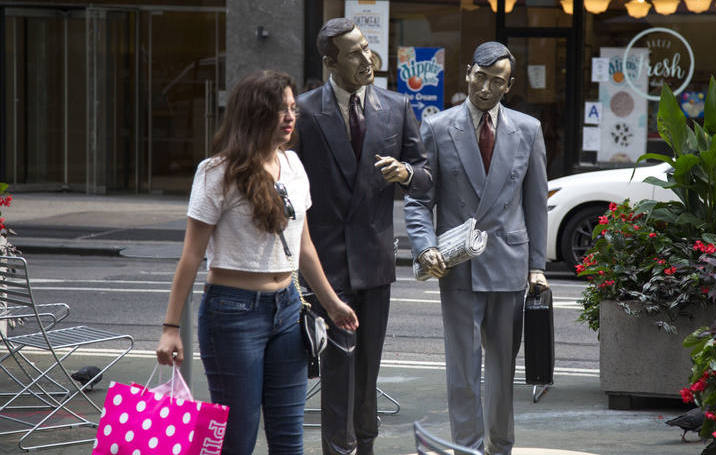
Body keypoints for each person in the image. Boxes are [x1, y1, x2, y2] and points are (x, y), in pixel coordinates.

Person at [155, 69, 359, 455]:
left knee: (288, 438)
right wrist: (170, 327)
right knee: (237, 437)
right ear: (252, 114)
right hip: (232, 314)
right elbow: (191, 257)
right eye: (278, 109)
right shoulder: (217, 172)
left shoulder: (295, 166)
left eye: (292, 108)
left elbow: (305, 247)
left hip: (288, 310)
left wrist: (331, 303)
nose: (289, 117)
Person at [404, 41, 549, 455]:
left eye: (496, 81)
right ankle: (467, 447)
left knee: (503, 369)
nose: (485, 88)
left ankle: (500, 447)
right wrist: (424, 246)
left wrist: (537, 266)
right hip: (458, 265)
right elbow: (418, 199)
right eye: (479, 77)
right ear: (467, 72)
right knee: (463, 370)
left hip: (509, 261)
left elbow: (535, 203)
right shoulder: (437, 127)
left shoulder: (528, 130)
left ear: (509, 85)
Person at [295, 18, 431, 455]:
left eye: (367, 48)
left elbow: (427, 176)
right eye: (353, 52)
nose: (366, 59)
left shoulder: (395, 107)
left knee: (368, 370)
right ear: (330, 61)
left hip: (374, 262)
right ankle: (339, 449)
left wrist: (407, 173)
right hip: (327, 264)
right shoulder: (305, 112)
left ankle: (365, 447)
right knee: (337, 368)